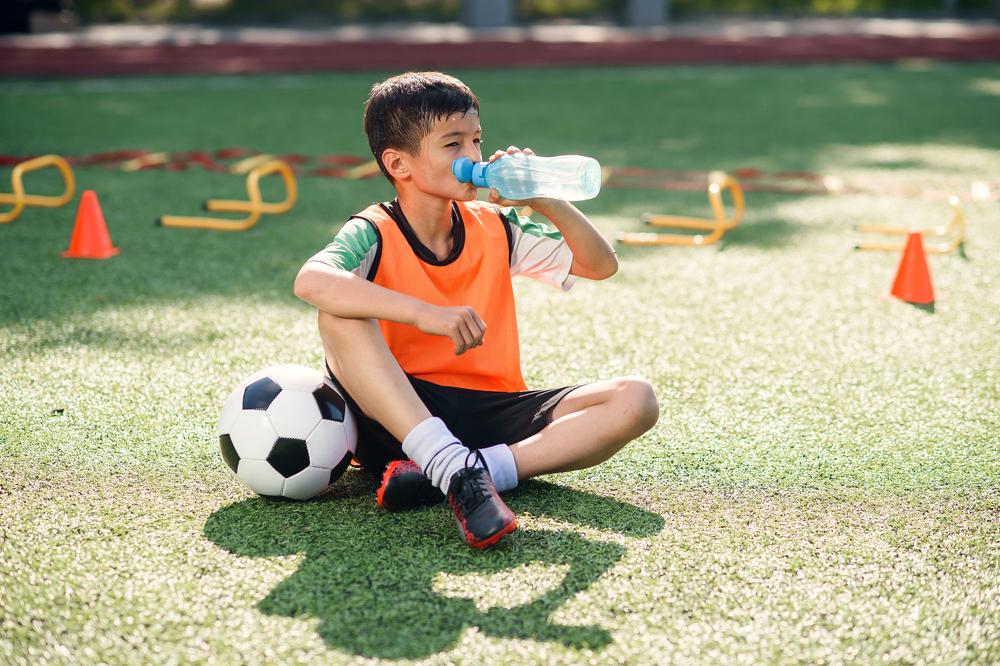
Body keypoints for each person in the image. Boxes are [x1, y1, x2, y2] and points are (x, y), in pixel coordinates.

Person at [294, 71, 659, 550]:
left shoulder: (495, 225)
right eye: (452, 144)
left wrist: (545, 200)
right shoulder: (375, 229)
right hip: (401, 413)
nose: (473, 156)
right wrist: (423, 312)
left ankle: (469, 471)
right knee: (337, 313)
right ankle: (442, 457)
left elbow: (600, 264)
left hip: (488, 411)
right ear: (399, 164)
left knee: (636, 400)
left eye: (476, 139)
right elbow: (311, 280)